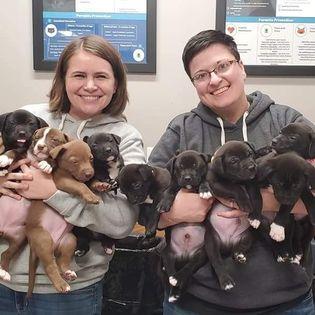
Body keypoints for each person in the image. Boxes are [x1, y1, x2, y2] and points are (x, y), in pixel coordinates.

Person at [149, 29, 315, 314]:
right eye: (201, 75)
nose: (214, 80)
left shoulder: (287, 122)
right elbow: (144, 197)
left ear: (241, 67)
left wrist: (259, 203)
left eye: (222, 66)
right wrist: (179, 211)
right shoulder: (182, 129)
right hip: (195, 301)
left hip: (287, 299)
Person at [0, 35, 146, 314]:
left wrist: (53, 194)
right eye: (79, 75)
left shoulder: (125, 138)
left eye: (101, 76)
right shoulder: (30, 119)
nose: (90, 86)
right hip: (4, 282)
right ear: (62, 79)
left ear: (116, 84)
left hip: (71, 294)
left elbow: (121, 223)